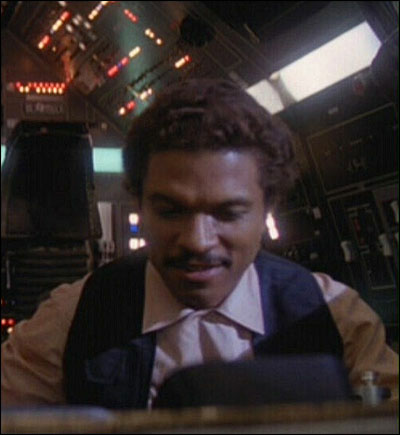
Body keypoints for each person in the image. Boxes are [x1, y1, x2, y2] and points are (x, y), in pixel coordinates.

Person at [1, 78, 398, 409]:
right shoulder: (72, 318)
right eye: (171, 211)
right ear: (139, 205)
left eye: (228, 213)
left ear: (267, 210)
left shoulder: (336, 318)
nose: (197, 241)